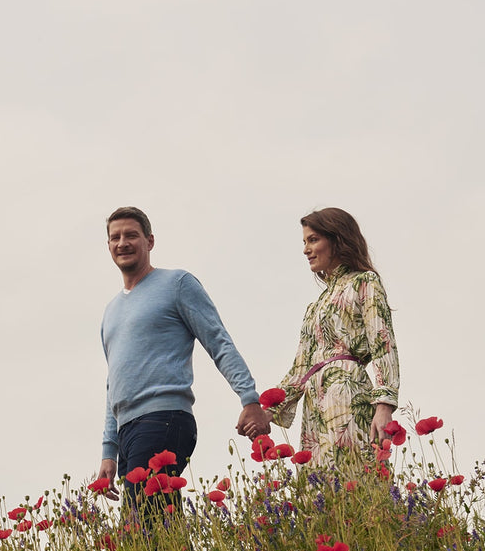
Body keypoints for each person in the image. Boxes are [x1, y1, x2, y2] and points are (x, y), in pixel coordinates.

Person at [95, 206, 271, 516]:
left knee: (145, 525)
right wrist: (109, 451)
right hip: (128, 430)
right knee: (153, 528)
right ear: (108, 246)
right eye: (115, 237)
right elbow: (114, 383)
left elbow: (218, 341)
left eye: (131, 235)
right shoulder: (110, 312)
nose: (122, 242)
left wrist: (249, 399)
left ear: (150, 241)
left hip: (163, 417)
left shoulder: (176, 284)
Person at [270, 208, 399, 463]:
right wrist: (267, 411)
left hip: (349, 396)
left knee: (353, 477)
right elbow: (300, 369)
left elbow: (383, 343)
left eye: (314, 240)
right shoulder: (315, 306)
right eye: (305, 242)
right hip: (315, 405)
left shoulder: (364, 282)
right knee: (319, 489)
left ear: (338, 240)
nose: (306, 249)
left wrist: (384, 405)